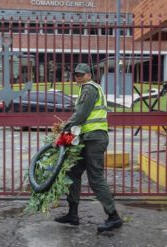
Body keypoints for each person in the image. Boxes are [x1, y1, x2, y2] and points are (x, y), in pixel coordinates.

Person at [54, 63, 123, 233]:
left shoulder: (89, 88)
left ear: (89, 75)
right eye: (76, 74)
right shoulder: (87, 88)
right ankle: (73, 214)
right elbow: (82, 117)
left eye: (81, 74)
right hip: (87, 138)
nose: (78, 77)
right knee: (73, 173)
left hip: (95, 138)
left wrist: (65, 126)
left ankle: (114, 217)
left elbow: (82, 114)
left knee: (95, 177)